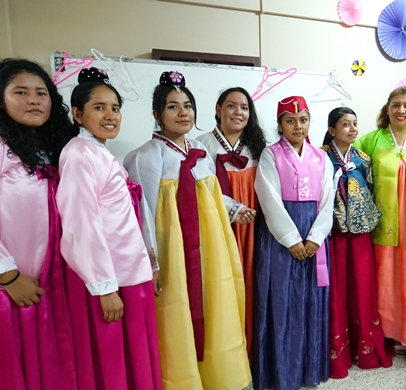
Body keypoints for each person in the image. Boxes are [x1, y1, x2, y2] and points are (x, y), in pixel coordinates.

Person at [0, 58, 77, 389]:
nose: (34, 100)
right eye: (21, 92)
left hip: (44, 284)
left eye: (41, 93)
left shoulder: (49, 148)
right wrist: (8, 277)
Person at [124, 71, 252, 389]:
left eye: (188, 106)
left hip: (211, 247)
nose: (183, 113)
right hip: (173, 251)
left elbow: (210, 195)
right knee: (176, 312)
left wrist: (235, 209)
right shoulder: (146, 157)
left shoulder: (199, 149)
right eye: (172, 106)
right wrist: (151, 262)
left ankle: (219, 378)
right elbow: (144, 213)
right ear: (157, 114)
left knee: (216, 305)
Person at [56, 68, 162, 390]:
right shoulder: (78, 155)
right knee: (114, 363)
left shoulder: (101, 152)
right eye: (99, 107)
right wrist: (104, 287)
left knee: (135, 359)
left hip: (129, 272)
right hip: (110, 280)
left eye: (115, 108)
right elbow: (80, 226)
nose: (110, 115)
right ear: (77, 113)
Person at [254, 96, 334, 390]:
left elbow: (328, 199)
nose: (297, 126)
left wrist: (314, 238)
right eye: (290, 120)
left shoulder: (321, 157)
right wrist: (291, 240)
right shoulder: (270, 155)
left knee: (310, 301)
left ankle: (308, 368)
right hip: (280, 237)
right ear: (280, 125)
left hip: (314, 233)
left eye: (303, 120)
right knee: (282, 300)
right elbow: (269, 198)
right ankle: (281, 372)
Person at [354, 86, 406, 356]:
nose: (401, 110)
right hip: (383, 223)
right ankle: (384, 333)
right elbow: (349, 171)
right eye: (395, 104)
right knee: (384, 280)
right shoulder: (370, 140)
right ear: (387, 108)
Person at [322, 107, 391, 379]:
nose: (352, 129)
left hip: (360, 234)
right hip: (333, 233)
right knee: (337, 289)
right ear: (331, 130)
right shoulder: (320, 157)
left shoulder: (363, 159)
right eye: (345, 124)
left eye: (355, 124)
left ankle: (364, 346)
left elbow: (371, 191)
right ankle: (337, 351)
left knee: (362, 285)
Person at [196, 87, 264, 358]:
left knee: (253, 285)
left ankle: (252, 354)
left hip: (254, 227)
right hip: (218, 226)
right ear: (218, 109)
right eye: (232, 106)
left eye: (244, 108)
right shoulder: (201, 146)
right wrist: (233, 209)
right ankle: (224, 357)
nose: (238, 112)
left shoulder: (258, 148)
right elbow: (200, 191)